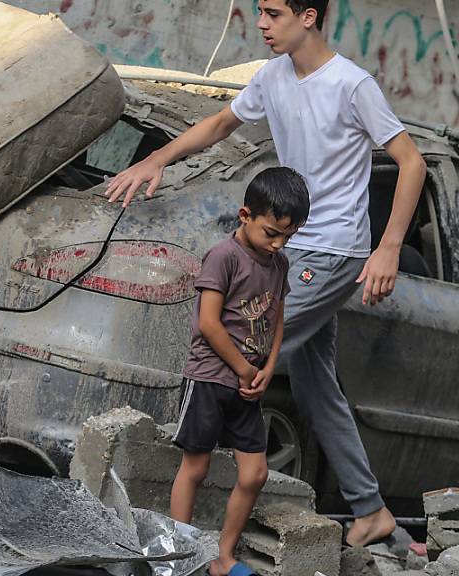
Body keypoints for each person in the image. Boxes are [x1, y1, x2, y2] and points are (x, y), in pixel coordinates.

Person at [107, 0, 427, 548]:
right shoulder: (272, 76)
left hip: (331, 251)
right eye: (258, 11)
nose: (260, 23)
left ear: (308, 17)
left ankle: (166, 504)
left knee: (231, 355)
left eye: (273, 12)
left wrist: (388, 248)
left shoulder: (352, 85)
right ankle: (371, 512)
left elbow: (411, 162)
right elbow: (219, 123)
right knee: (312, 381)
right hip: (290, 251)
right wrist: (157, 160)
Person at [170, 166, 309, 576]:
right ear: (245, 214)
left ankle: (222, 556)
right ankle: (180, 554)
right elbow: (209, 323)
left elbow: (278, 318)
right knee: (195, 467)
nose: (279, 243)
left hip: (249, 385)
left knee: (256, 473)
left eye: (289, 235)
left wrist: (267, 368)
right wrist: (243, 368)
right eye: (272, 232)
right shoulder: (223, 256)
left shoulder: (279, 263)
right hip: (212, 378)